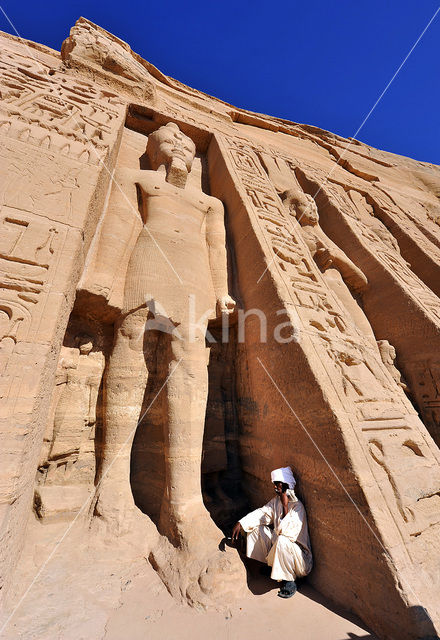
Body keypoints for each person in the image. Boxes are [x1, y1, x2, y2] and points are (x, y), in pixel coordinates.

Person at [232, 466, 313, 598]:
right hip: (282, 547)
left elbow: (286, 534)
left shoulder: (298, 507)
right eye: (275, 485)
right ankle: (274, 567)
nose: (275, 488)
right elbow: (262, 513)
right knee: (257, 529)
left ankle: (289, 580)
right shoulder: (275, 502)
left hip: (299, 561)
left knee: (282, 541)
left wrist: (285, 506)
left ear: (286, 485)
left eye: (278, 484)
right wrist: (241, 523)